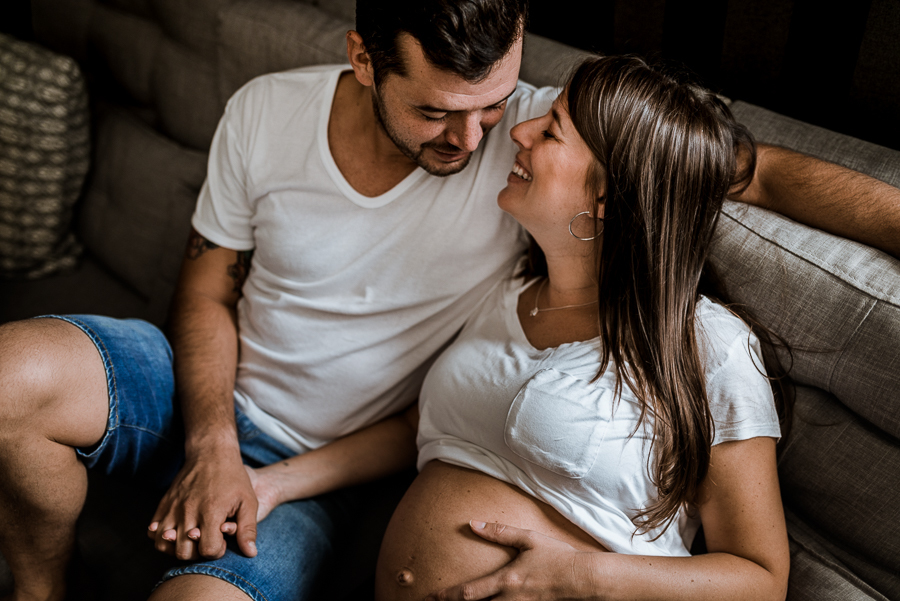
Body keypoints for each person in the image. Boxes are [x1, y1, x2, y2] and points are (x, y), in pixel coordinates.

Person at [1, 1, 898, 600]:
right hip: (211, 400)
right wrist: (223, 451)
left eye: (502, 104)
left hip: (339, 486)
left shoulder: (564, 148)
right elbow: (206, 285)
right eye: (437, 113)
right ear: (363, 59)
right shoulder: (270, 115)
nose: (479, 138)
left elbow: (749, 167)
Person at [374, 55, 794, 601]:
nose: (518, 133)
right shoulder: (510, 293)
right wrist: (274, 483)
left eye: (550, 131)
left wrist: (579, 576)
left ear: (605, 197)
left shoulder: (709, 345)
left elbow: (762, 580)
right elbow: (413, 430)